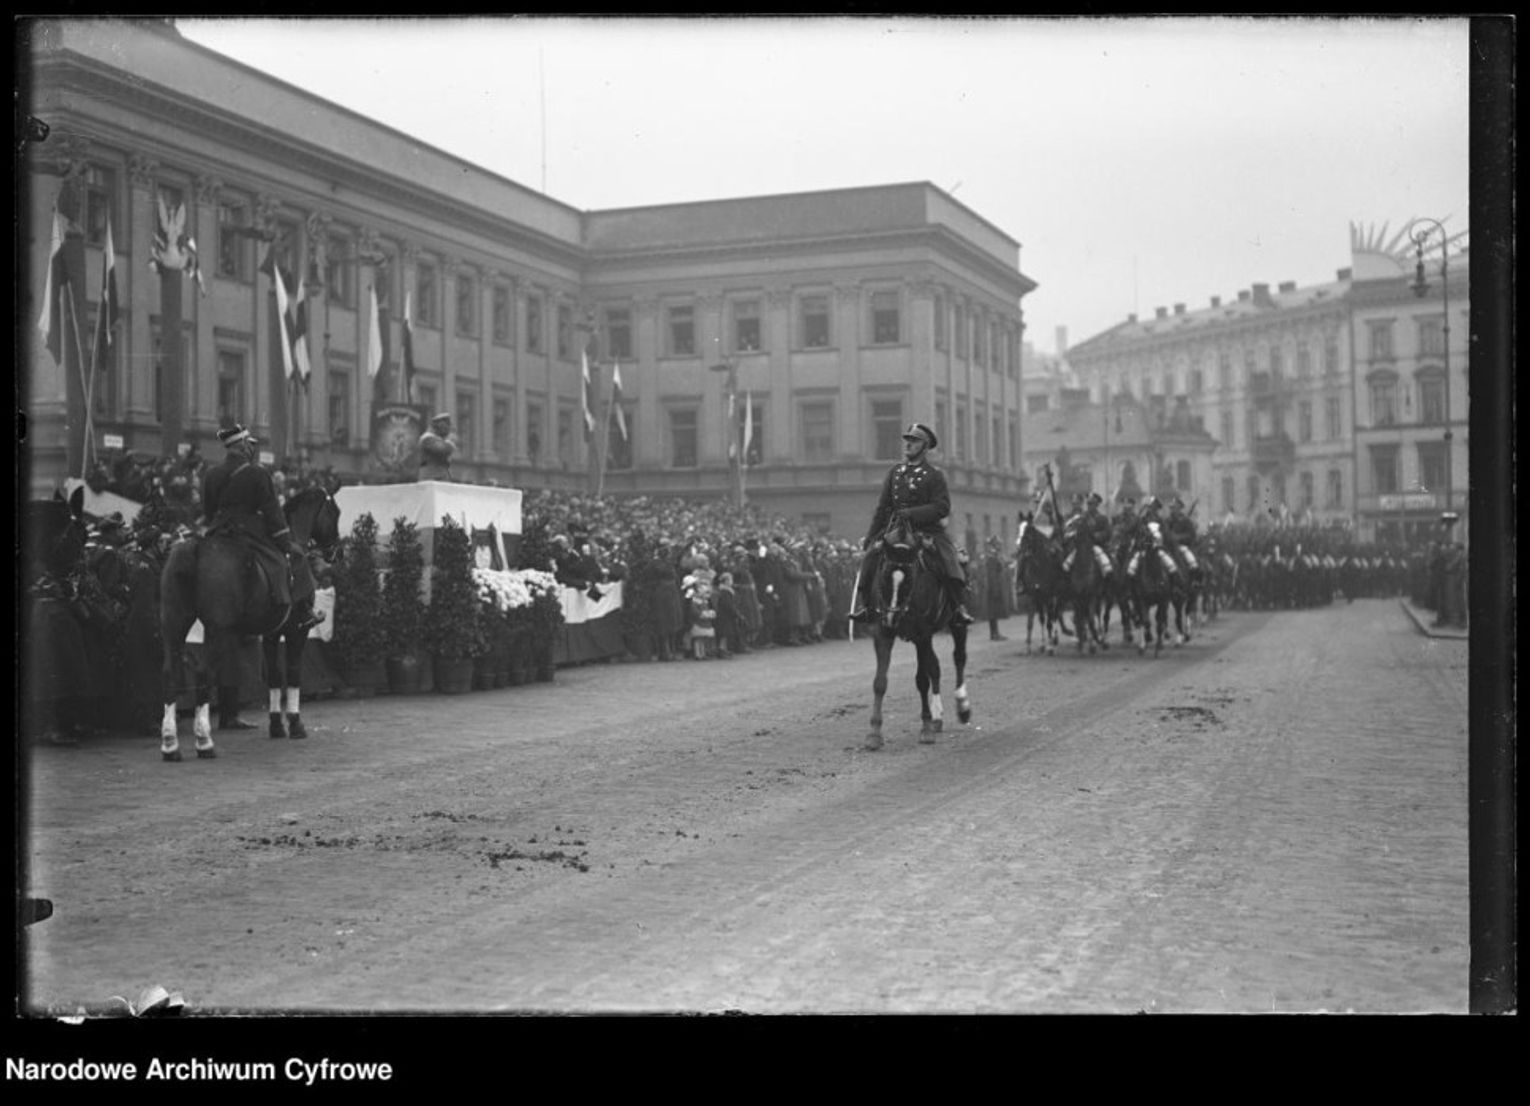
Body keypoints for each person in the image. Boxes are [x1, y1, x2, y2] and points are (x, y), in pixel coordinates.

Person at [202, 423, 318, 729]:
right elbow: (273, 512)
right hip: (248, 535)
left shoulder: (211, 474)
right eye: (250, 445)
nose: (252, 448)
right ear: (243, 446)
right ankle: (298, 611)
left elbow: (208, 511)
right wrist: (286, 542)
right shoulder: (257, 473)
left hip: (218, 535)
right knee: (290, 561)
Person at [849, 422, 974, 626]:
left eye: (914, 441)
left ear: (924, 447)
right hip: (896, 530)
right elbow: (882, 507)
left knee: (949, 559)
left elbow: (942, 507)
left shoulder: (934, 475)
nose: (908, 444)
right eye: (907, 440)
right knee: (871, 556)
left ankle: (957, 607)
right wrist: (871, 537)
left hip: (927, 531)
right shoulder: (895, 472)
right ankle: (867, 607)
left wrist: (912, 513)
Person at [418, 413, 458, 481]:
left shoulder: (441, 440)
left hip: (442, 474)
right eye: (445, 426)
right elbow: (441, 449)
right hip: (430, 474)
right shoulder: (427, 438)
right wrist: (450, 442)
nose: (448, 429)